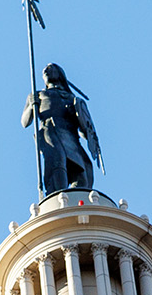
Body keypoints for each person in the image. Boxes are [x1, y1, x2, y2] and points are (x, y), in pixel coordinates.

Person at [22, 63, 101, 196]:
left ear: (59, 74)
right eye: (44, 71)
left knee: (82, 172)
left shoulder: (72, 98)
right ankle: (57, 196)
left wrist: (78, 114)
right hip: (50, 131)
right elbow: (25, 122)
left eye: (50, 68)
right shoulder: (39, 94)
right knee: (57, 163)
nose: (45, 71)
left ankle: (76, 200)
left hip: (70, 136)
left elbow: (84, 131)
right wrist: (31, 106)